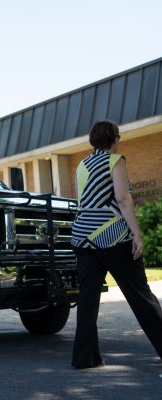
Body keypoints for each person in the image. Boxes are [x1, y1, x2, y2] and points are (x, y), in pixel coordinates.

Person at [71, 120, 162, 369]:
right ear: (115, 139)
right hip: (112, 238)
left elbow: (87, 202)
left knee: (88, 299)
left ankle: (84, 358)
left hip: (82, 237)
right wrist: (137, 235)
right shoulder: (115, 160)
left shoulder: (82, 164)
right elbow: (122, 198)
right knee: (141, 295)